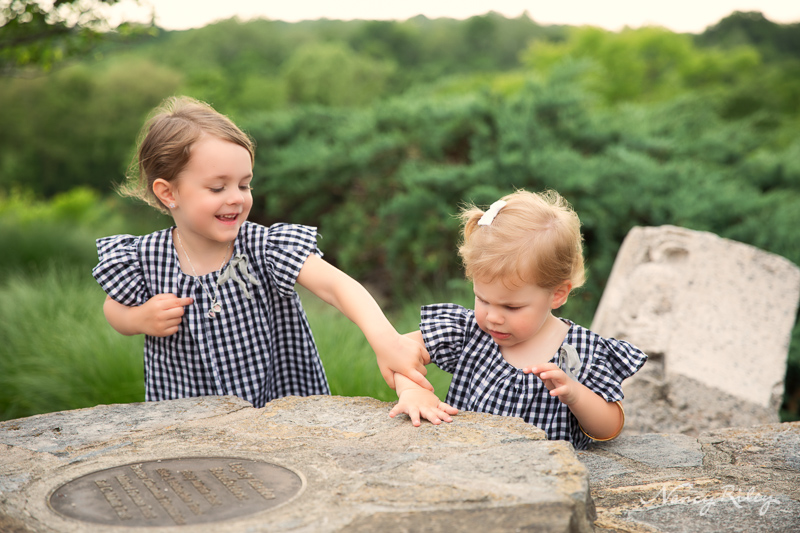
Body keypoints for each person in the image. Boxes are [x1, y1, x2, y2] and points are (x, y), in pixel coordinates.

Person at [92, 96, 430, 408]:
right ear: (168, 193)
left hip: (275, 409)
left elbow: (336, 286)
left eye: (244, 184)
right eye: (217, 187)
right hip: (185, 414)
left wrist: (385, 340)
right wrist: (139, 319)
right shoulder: (145, 257)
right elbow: (114, 308)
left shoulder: (264, 246)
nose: (237, 197)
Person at [389, 190, 647, 449]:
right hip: (464, 466)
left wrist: (575, 395)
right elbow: (399, 351)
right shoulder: (470, 332)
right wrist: (412, 391)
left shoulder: (582, 352)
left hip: (544, 478)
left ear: (557, 295)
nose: (492, 317)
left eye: (511, 307)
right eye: (483, 299)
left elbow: (610, 428)